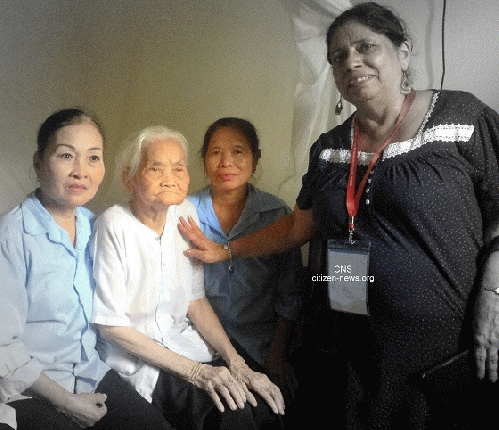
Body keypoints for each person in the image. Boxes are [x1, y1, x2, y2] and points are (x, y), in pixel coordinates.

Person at [178, 2, 499, 430]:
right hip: (354, 349)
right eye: (338, 57)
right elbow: (298, 226)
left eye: (367, 46)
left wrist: (495, 295)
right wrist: (227, 250)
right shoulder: (329, 148)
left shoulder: (462, 119)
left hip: (448, 348)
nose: (352, 62)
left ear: (403, 53)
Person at [90, 126, 285, 430]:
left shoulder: (185, 211)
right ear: (129, 178)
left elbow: (196, 301)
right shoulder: (114, 224)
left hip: (187, 347)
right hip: (144, 359)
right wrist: (195, 372)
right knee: (231, 418)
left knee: (264, 409)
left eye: (178, 167)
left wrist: (236, 361)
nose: (170, 177)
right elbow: (112, 327)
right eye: (156, 167)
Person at [0, 109, 172, 430]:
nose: (81, 171)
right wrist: (65, 402)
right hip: (28, 390)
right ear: (39, 164)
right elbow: (2, 347)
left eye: (93, 158)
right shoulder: (12, 235)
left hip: (91, 374)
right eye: (66, 155)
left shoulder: (97, 227)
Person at [188, 117, 305, 403]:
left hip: (261, 346)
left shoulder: (277, 215)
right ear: (204, 160)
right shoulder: (185, 212)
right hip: (200, 344)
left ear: (256, 158)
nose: (226, 161)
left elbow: (291, 295)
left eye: (238, 151)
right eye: (216, 152)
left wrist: (276, 356)